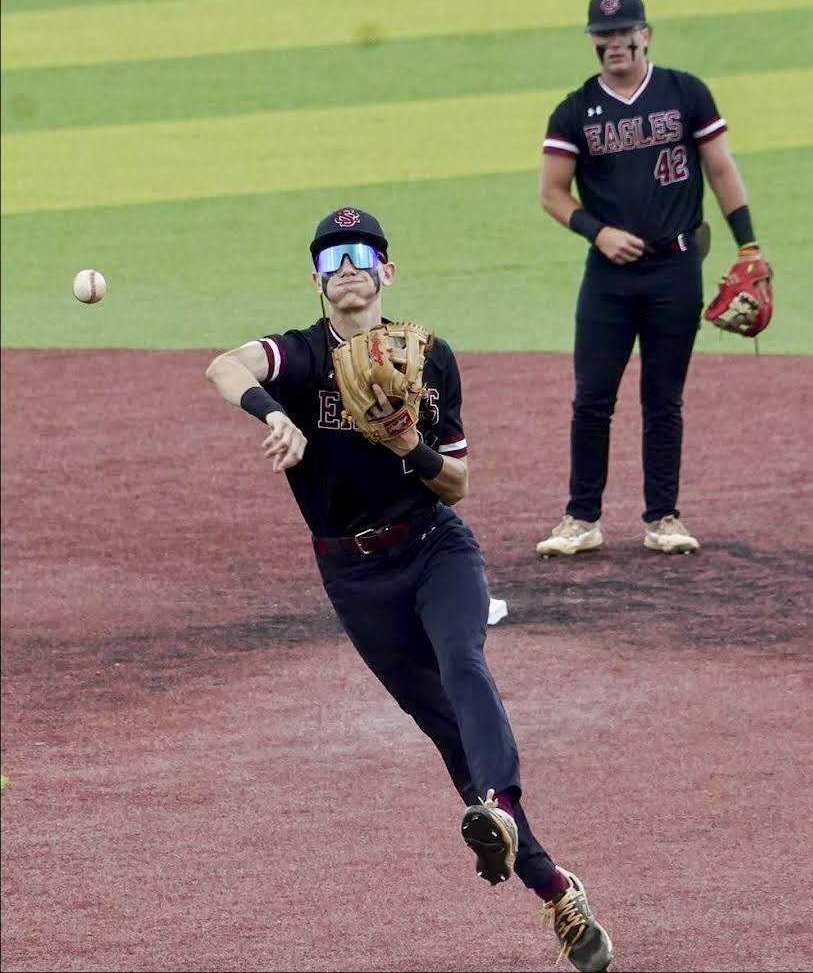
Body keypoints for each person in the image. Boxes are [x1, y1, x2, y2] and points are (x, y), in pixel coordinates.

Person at [204, 206, 614, 973]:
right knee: (444, 728)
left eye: (361, 253)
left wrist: (408, 445)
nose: (347, 265)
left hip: (434, 549)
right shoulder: (297, 358)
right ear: (317, 278)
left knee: (463, 662)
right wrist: (273, 416)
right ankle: (556, 887)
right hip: (354, 577)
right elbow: (225, 365)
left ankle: (501, 807)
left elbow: (456, 484)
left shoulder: (431, 358)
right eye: (330, 257)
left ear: (386, 270)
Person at [536, 0, 766, 557]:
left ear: (645, 34)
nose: (614, 43)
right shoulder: (574, 110)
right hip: (608, 278)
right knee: (592, 398)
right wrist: (599, 232)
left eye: (623, 32)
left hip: (676, 269)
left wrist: (748, 248)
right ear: (593, 43)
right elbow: (552, 193)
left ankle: (662, 518)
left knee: (663, 399)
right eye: (603, 35)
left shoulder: (685, 92)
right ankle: (580, 519)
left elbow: (721, 170)